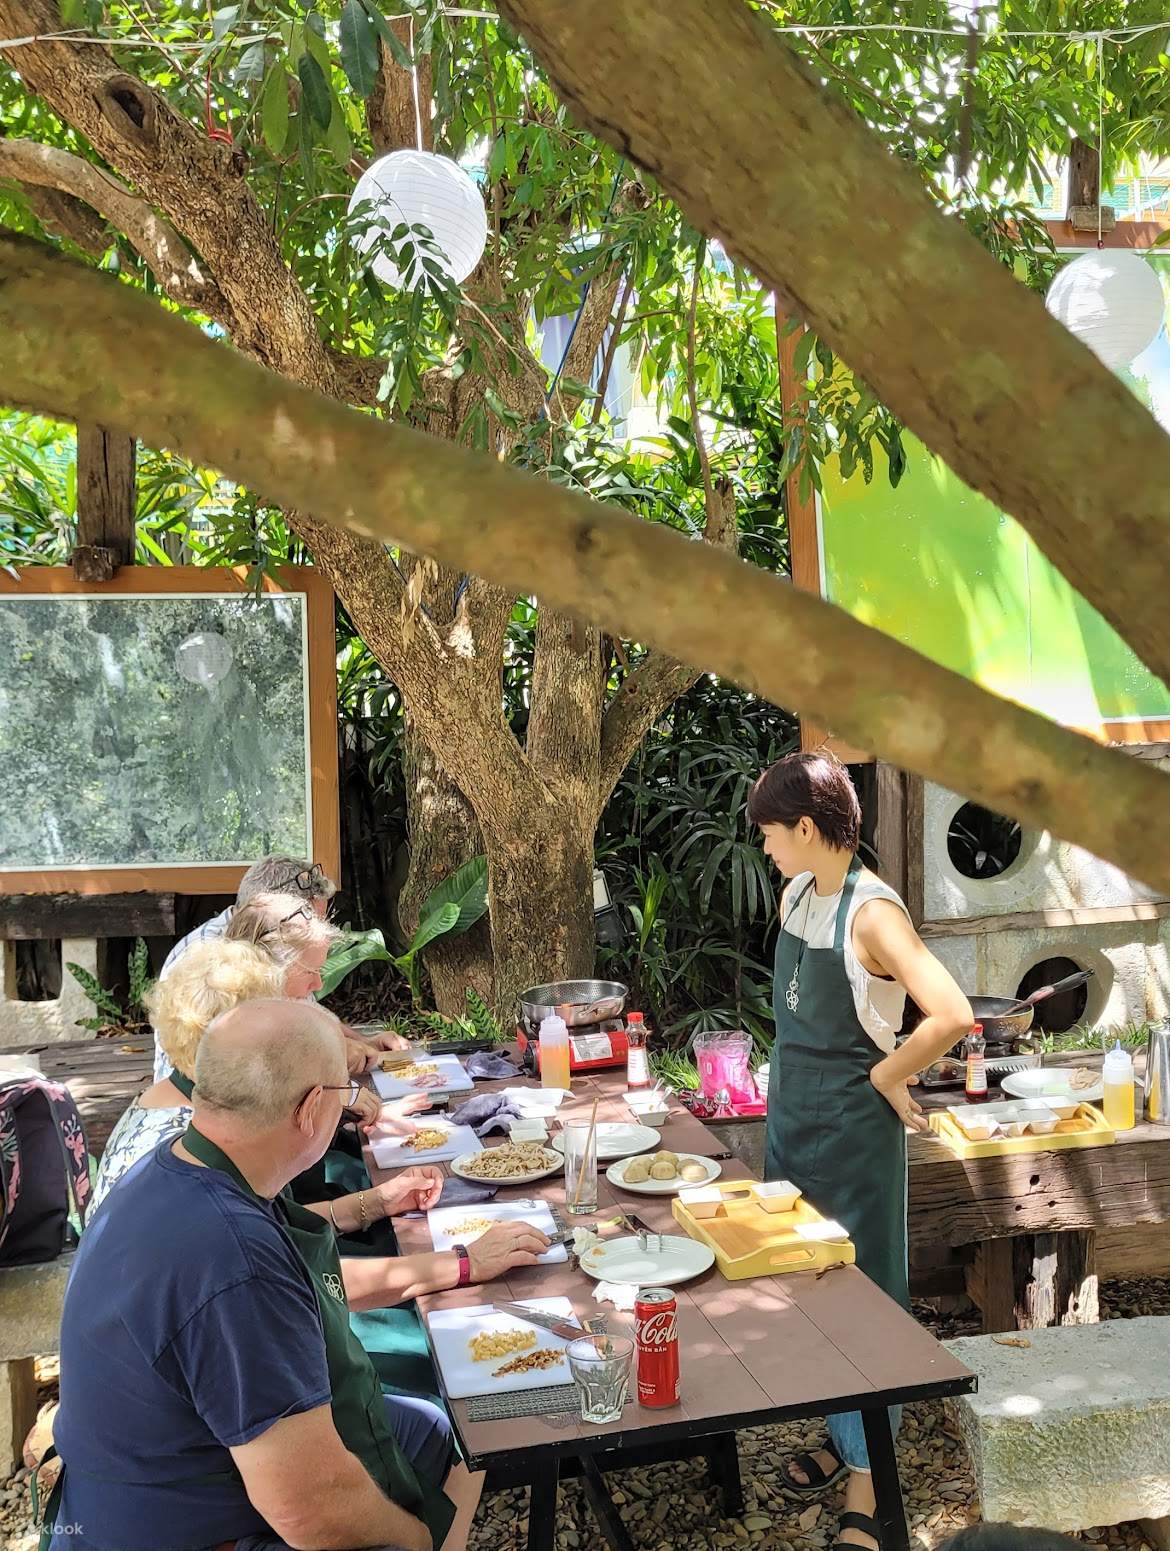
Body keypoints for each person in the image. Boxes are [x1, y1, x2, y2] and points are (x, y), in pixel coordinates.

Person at [47, 1001, 547, 1550]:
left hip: (155, 1480)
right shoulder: (233, 1259)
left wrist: (446, 1254)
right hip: (173, 1528)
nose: (350, 1111)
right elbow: (309, 1509)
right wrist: (417, 1540)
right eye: (347, 1096)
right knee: (420, 1505)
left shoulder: (182, 1162)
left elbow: (303, 1277)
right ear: (311, 1108)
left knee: (443, 1429)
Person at [747, 751, 973, 1551]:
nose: (767, 849)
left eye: (772, 834)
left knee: (865, 1296)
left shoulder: (875, 913)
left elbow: (949, 1013)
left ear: (806, 828)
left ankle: (868, 1483)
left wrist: (886, 1072)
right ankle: (843, 1438)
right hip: (791, 1123)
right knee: (806, 1289)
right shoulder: (797, 894)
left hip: (850, 1126)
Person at [152, 853, 407, 1083]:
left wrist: (362, 1042)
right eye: (311, 920)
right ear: (272, 915)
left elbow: (305, 1012)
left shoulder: (265, 947)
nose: (319, 929)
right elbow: (243, 1071)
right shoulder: (211, 965)